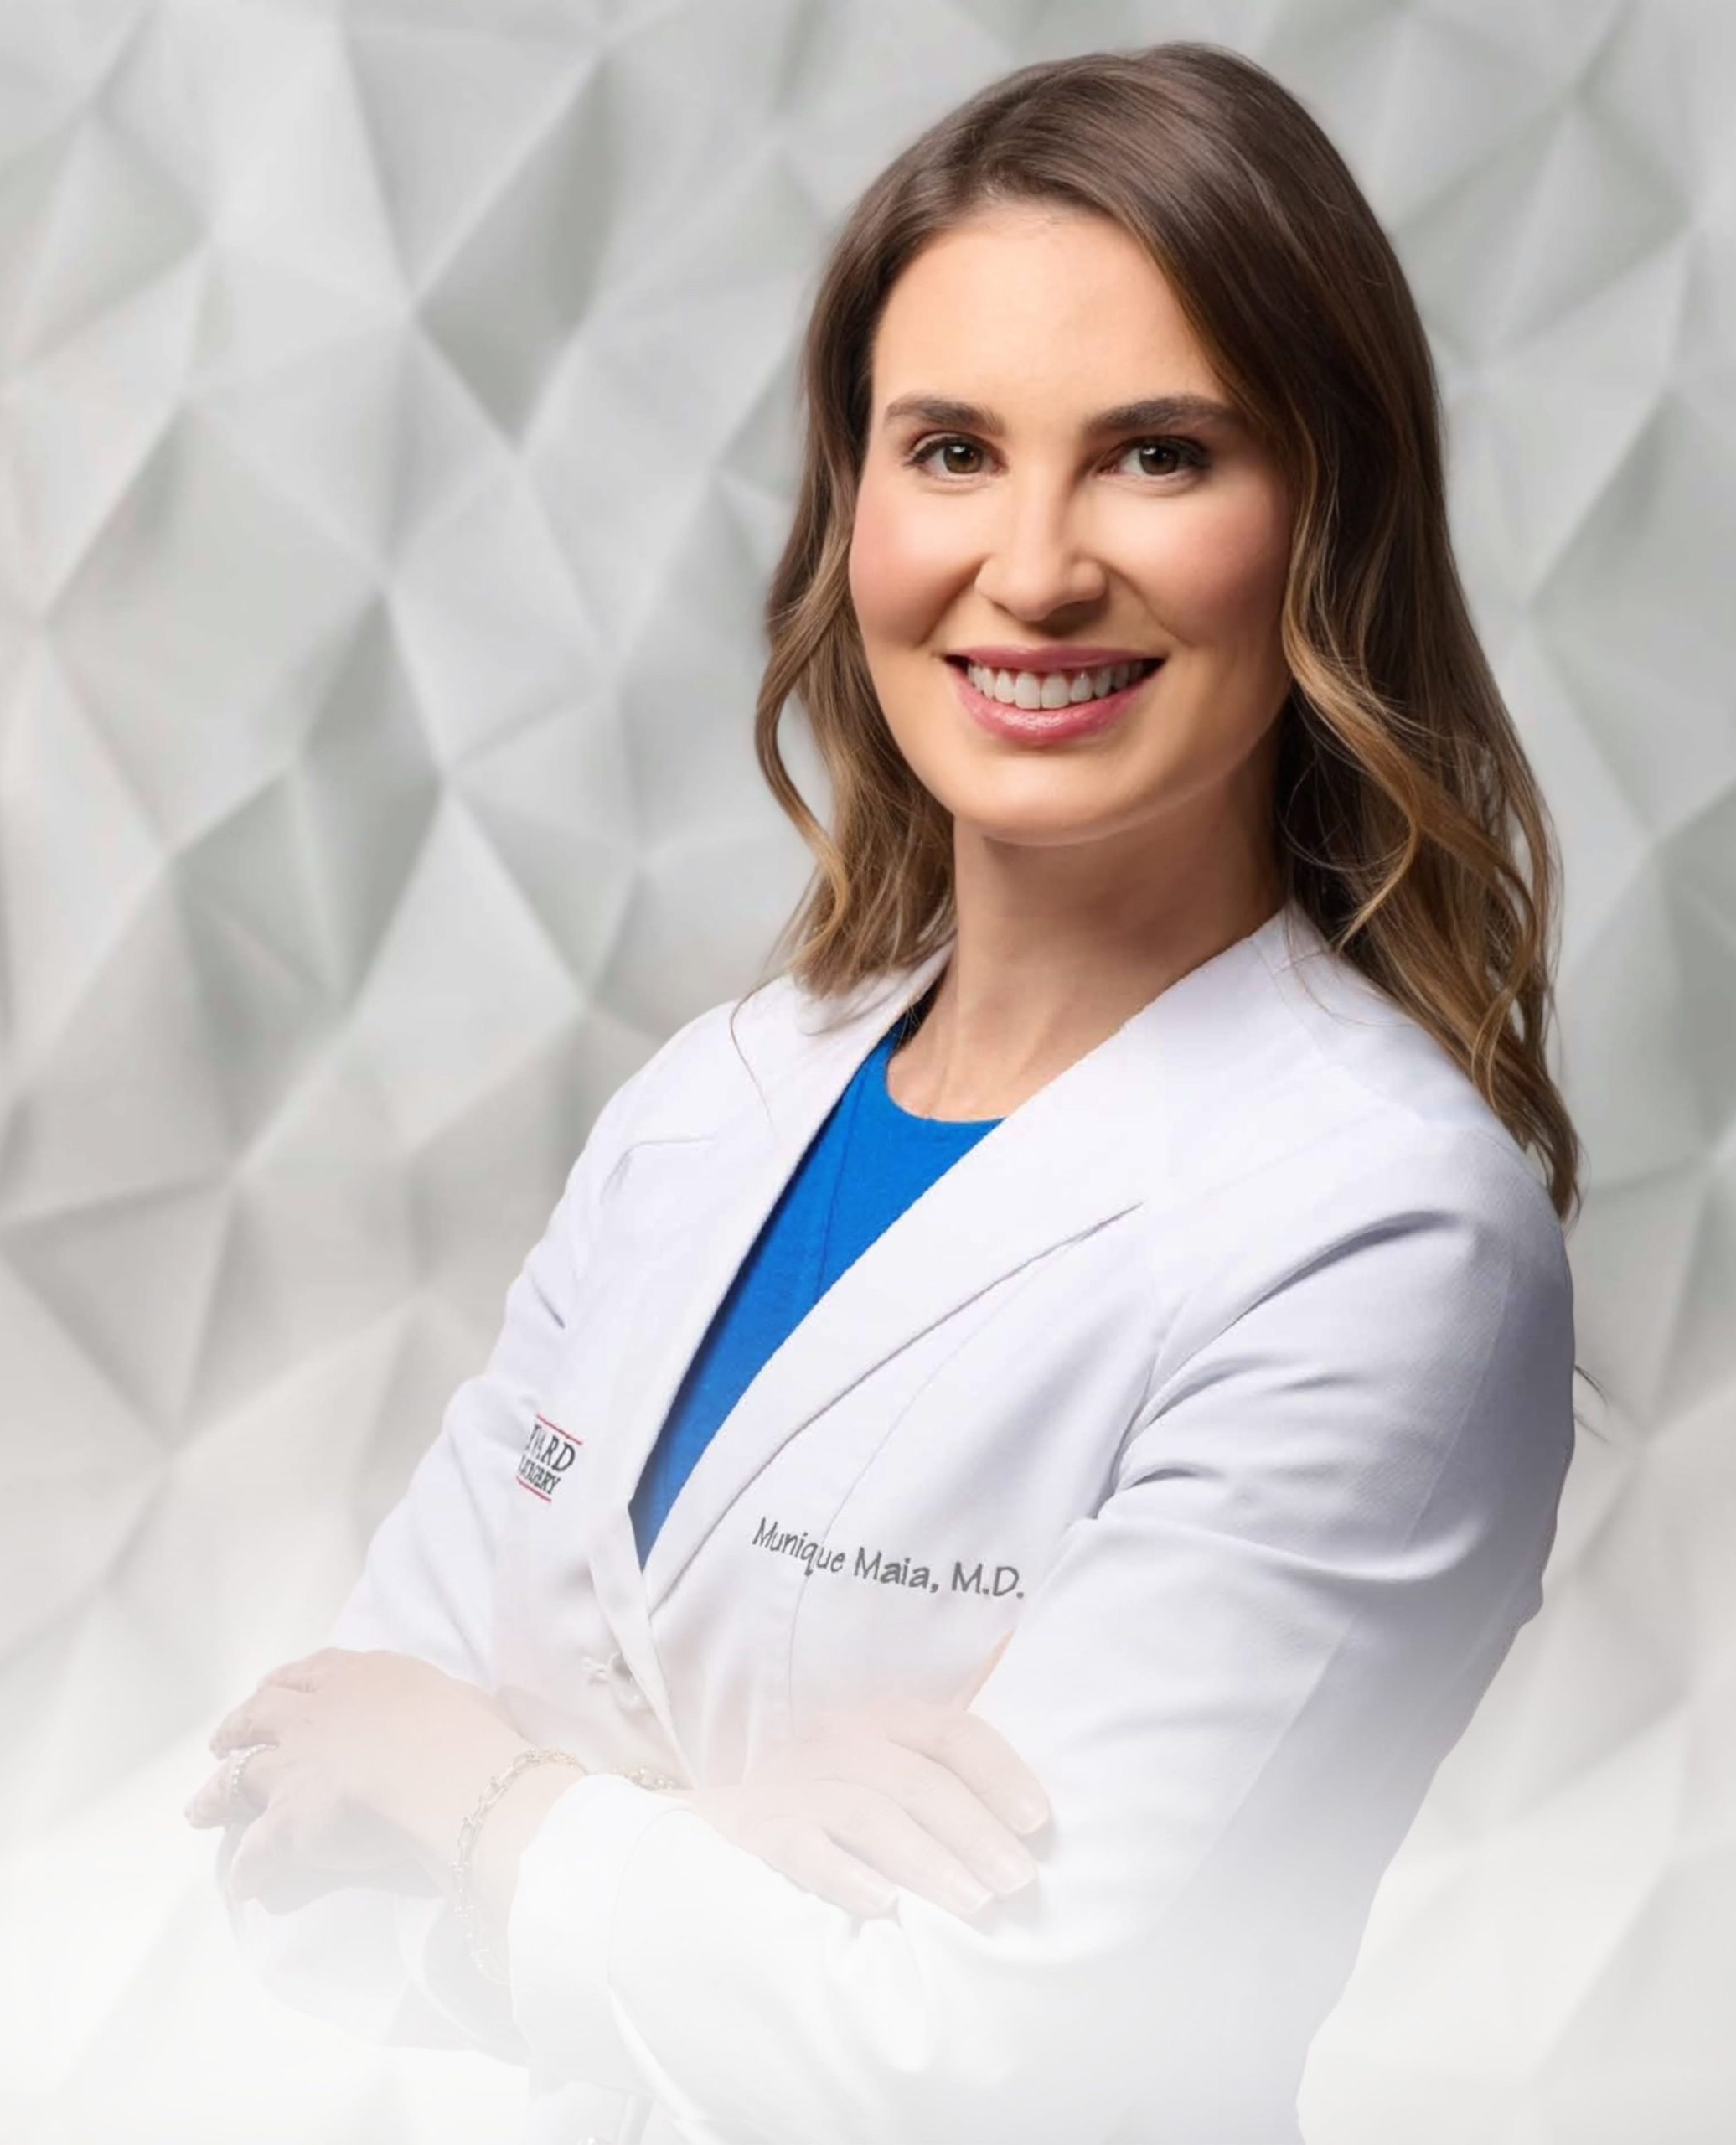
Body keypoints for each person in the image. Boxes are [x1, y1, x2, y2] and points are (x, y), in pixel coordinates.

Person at [184, 40, 1585, 2145]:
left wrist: (477, 1791)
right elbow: (278, 1848)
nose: (1027, 569)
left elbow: (994, 2055)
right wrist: (721, 1835)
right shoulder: (714, 1104)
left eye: (1154, 455)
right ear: (852, 504)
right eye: (946, 450)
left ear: (1320, 517)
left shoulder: (1377, 1230)